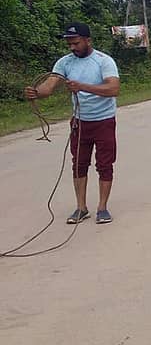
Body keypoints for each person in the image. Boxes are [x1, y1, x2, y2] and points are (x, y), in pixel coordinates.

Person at [24, 22, 120, 224]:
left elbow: (113, 89)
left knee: (105, 164)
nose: (72, 47)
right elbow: (49, 86)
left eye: (76, 43)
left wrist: (82, 87)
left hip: (104, 120)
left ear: (88, 40)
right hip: (79, 122)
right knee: (78, 164)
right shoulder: (65, 63)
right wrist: (36, 92)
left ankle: (102, 208)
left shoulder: (104, 61)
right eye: (69, 44)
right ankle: (81, 208)